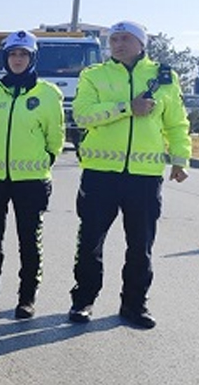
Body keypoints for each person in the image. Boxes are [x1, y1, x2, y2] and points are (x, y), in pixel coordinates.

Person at [68, 21, 190, 329]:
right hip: (100, 175)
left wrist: (180, 159)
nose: (118, 44)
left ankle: (134, 305)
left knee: (140, 245)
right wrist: (126, 107)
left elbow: (176, 123)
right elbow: (82, 115)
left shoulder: (164, 77)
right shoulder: (94, 75)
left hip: (144, 177)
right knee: (90, 243)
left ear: (141, 43)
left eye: (125, 39)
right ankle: (83, 301)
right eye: (114, 39)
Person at [0, 31, 64, 318]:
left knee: (29, 240)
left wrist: (45, 158)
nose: (18, 59)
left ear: (32, 58)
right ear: (6, 59)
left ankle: (26, 297)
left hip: (31, 181)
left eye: (24, 54)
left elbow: (55, 137)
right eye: (13, 54)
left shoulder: (47, 94)